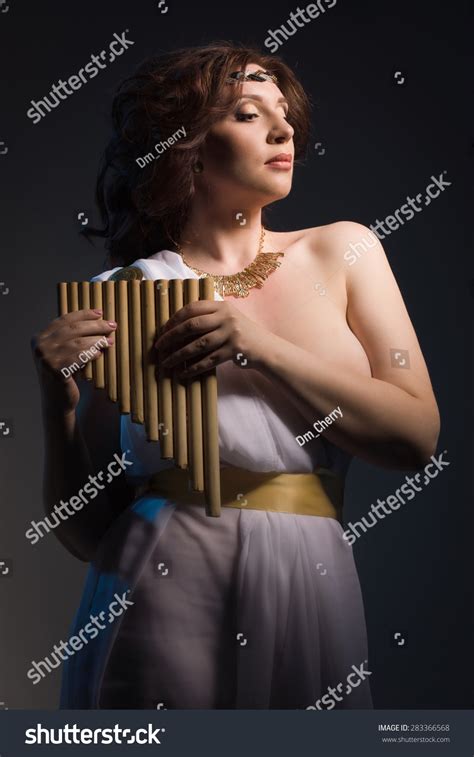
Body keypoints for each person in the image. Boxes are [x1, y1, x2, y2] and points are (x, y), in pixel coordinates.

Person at [31, 43, 440, 709]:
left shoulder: (345, 249)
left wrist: (260, 347)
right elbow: (86, 533)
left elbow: (417, 436)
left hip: (309, 573)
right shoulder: (124, 295)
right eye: (249, 114)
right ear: (182, 143)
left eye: (285, 115)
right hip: (157, 581)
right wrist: (58, 404)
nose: (283, 131)